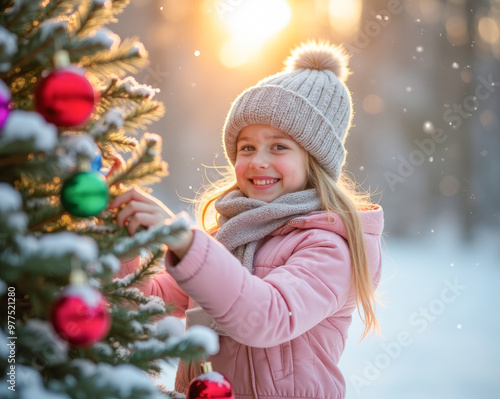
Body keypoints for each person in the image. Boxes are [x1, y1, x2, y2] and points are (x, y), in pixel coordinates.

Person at [111, 40, 384, 399]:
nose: (258, 161)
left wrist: (185, 241)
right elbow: (142, 306)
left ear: (314, 162)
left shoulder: (331, 246)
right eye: (247, 147)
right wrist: (119, 235)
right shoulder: (229, 237)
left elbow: (266, 318)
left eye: (279, 147)